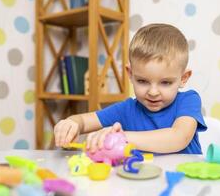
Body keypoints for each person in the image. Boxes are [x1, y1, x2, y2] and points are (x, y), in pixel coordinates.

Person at [54, 23, 207, 154]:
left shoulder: (188, 100)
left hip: (185, 185)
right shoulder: (127, 109)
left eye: (165, 83)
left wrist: (122, 137)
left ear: (184, 78)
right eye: (142, 81)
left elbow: (178, 138)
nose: (153, 92)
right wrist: (71, 124)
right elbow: (83, 121)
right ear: (130, 74)